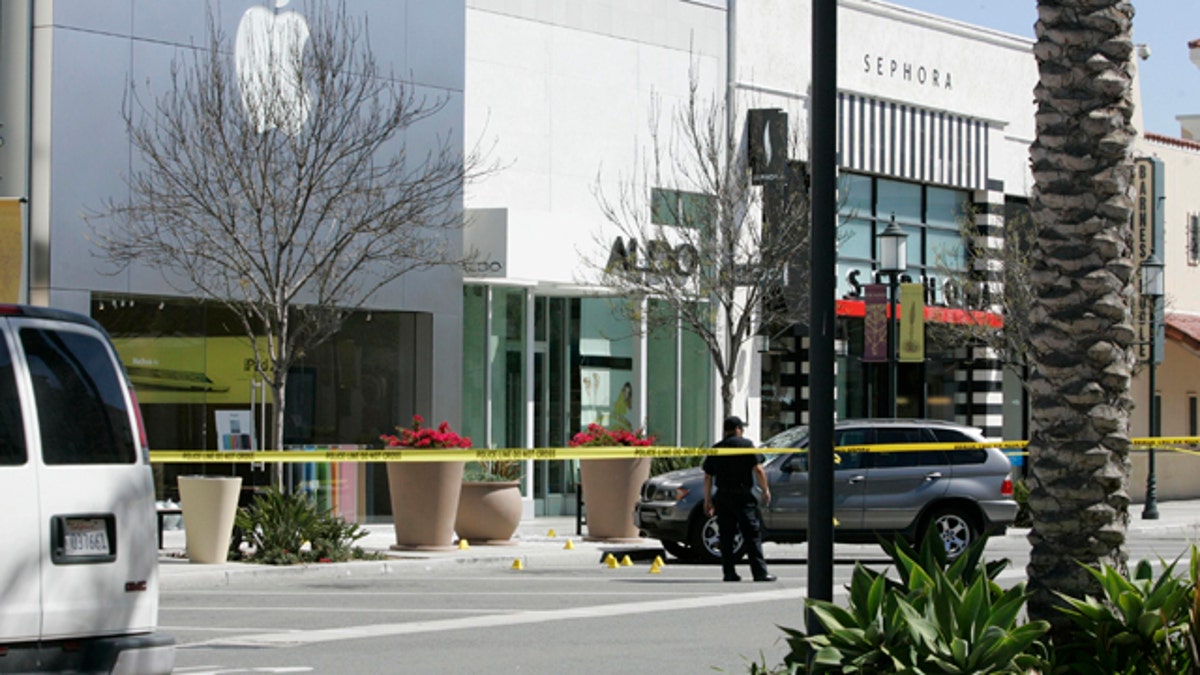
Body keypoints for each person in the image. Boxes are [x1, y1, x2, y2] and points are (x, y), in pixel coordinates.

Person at [702, 416, 776, 582]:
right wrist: (766, 490)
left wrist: (708, 500)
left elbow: (708, 476)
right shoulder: (746, 445)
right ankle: (759, 573)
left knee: (726, 537)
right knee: (752, 535)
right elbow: (758, 469)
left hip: (723, 496)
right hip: (743, 496)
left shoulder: (717, 448)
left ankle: (729, 573)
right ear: (738, 429)